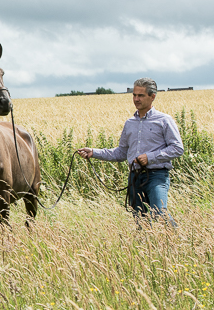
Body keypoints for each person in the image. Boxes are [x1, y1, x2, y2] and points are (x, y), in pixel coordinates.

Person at [76, 78, 184, 227]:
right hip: (135, 177)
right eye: (134, 95)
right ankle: (146, 247)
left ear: (152, 96)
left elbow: (177, 148)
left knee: (159, 213)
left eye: (141, 95)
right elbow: (121, 153)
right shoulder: (130, 123)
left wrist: (150, 157)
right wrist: (94, 152)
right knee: (140, 219)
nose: (136, 99)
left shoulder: (164, 120)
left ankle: (177, 238)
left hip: (157, 175)